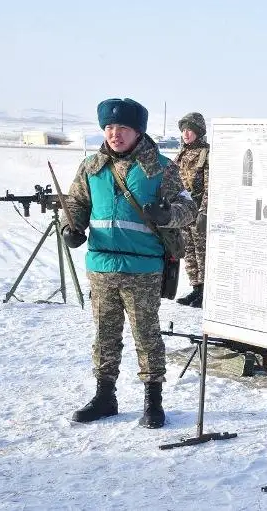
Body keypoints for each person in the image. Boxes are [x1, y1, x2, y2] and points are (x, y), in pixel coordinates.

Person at [61, 98, 196, 428]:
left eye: (122, 128)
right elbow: (76, 203)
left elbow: (189, 209)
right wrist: (71, 228)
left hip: (143, 268)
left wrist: (168, 215)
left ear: (138, 132)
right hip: (102, 266)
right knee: (105, 336)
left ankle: (153, 401)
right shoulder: (91, 167)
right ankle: (105, 396)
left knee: (146, 335)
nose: (114, 134)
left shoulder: (162, 168)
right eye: (108, 128)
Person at [173, 112, 210, 307]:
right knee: (188, 251)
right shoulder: (182, 153)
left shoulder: (207, 153)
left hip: (199, 210)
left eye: (189, 130)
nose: (185, 134)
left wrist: (204, 211)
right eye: (183, 131)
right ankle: (195, 288)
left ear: (198, 131)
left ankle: (205, 291)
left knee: (202, 252)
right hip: (183, 210)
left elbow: (209, 185)